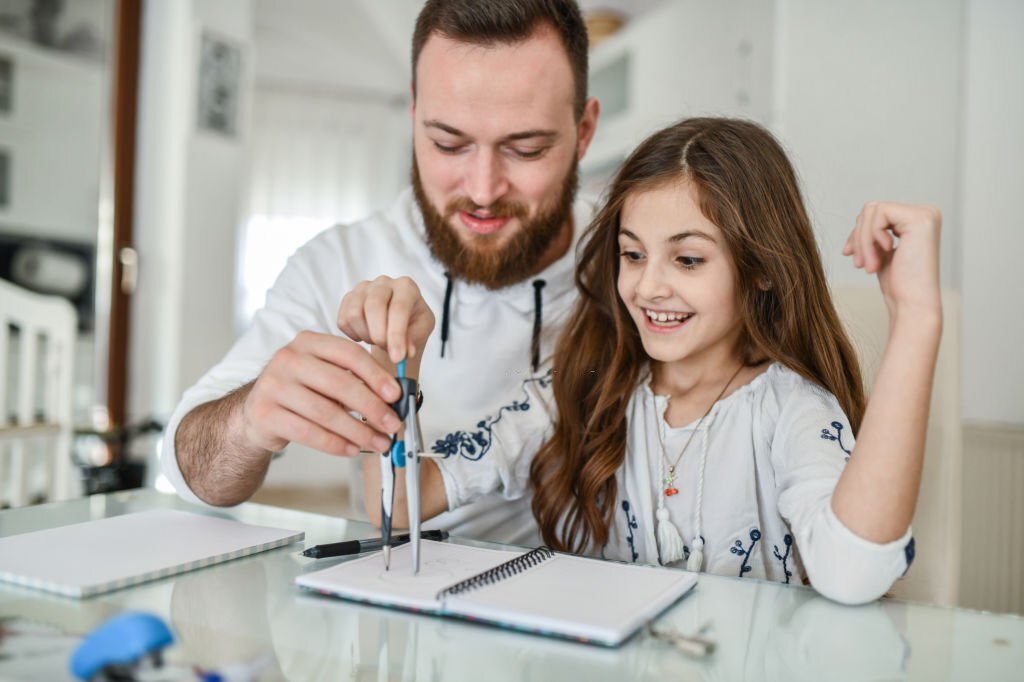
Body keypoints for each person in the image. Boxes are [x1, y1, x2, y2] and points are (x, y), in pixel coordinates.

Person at [349, 117, 942, 605]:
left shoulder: (793, 410)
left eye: (687, 260)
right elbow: (400, 502)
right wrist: (396, 358)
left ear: (760, 267)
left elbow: (855, 576)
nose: (648, 287)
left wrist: (916, 317)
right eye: (633, 255)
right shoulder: (576, 388)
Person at [160, 0, 600, 545]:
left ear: (583, 131)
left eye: (526, 149)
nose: (483, 190)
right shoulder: (337, 262)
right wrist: (251, 418)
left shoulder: (639, 263)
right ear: (413, 118)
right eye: (448, 143)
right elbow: (188, 474)